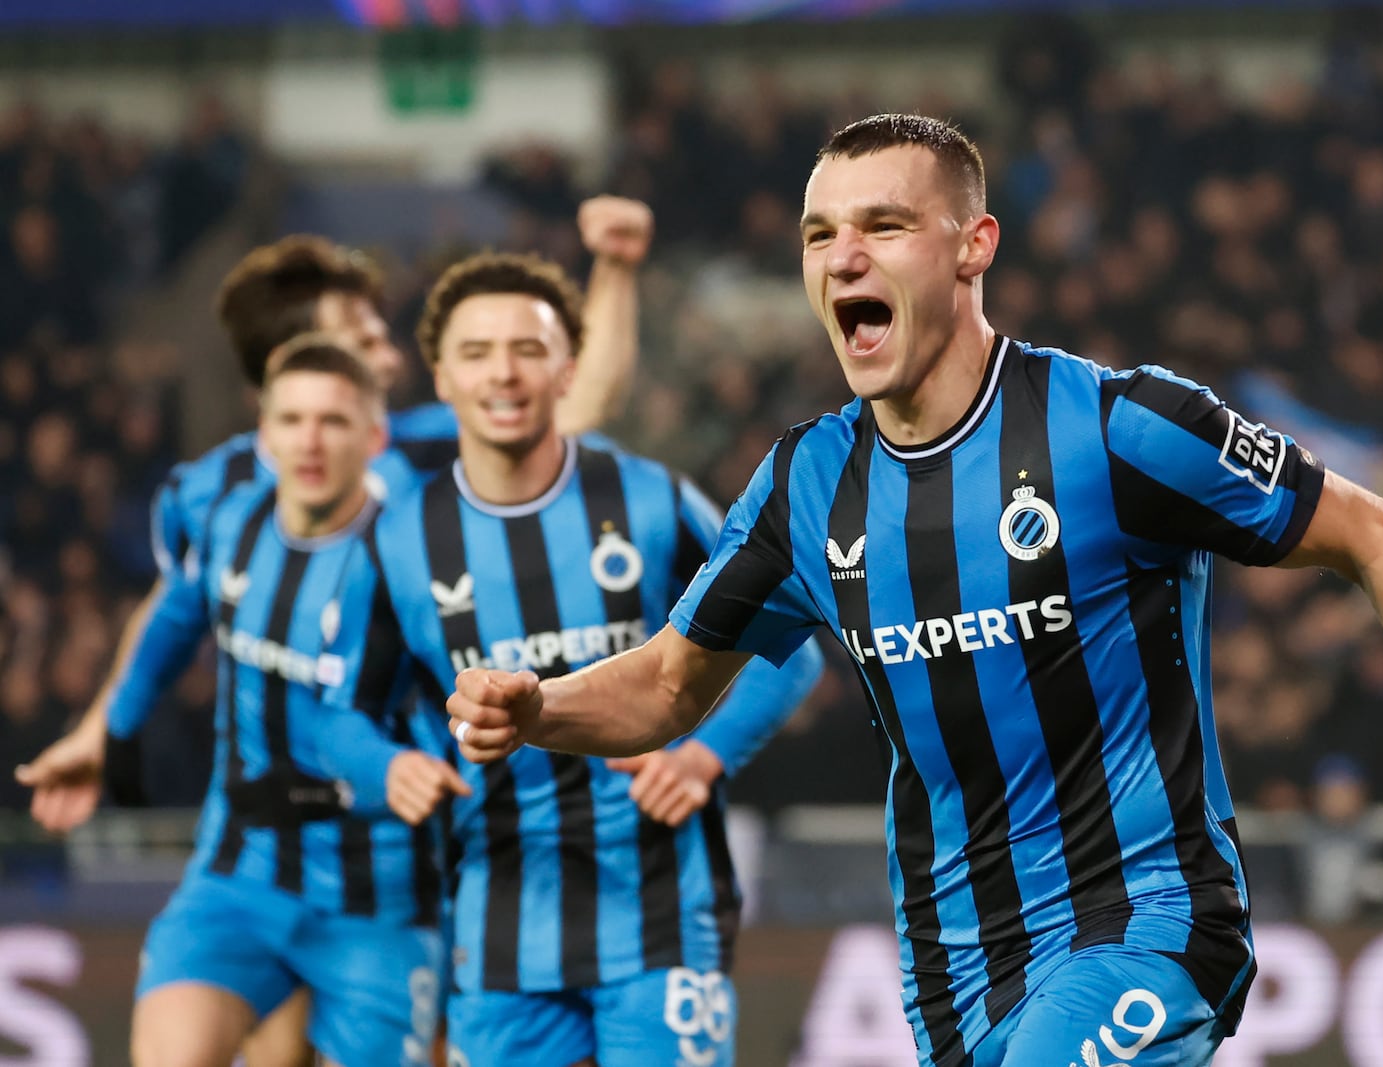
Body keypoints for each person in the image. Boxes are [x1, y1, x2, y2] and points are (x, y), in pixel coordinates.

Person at [445, 115, 1383, 1067]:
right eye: (818, 233)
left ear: (973, 244)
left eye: (883, 224)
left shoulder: (1116, 427)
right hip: (953, 963)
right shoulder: (805, 484)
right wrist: (538, 707)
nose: (842, 257)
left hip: (1146, 920)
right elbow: (670, 684)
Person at [13, 196, 654, 1065]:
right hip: (249, 853)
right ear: (284, 372)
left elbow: (583, 405)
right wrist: (99, 730)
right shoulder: (216, 496)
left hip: (391, 872)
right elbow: (171, 610)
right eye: (364, 335)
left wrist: (613, 269)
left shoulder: (425, 464)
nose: (389, 351)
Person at [316, 250, 824, 1067]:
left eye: (528, 349)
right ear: (441, 378)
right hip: (499, 923)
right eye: (476, 353)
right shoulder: (398, 539)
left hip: (660, 910)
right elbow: (335, 713)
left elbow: (791, 649)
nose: (504, 373)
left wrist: (702, 757)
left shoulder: (649, 499)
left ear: (569, 368)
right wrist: (386, 769)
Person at [108, 336, 456, 1067]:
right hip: (238, 873)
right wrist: (114, 730)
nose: (310, 440)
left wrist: (408, 768)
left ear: (374, 436)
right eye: (292, 419)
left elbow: (463, 703)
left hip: (381, 896)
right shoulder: (231, 521)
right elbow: (176, 613)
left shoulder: (417, 563)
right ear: (262, 433)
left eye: (332, 421)